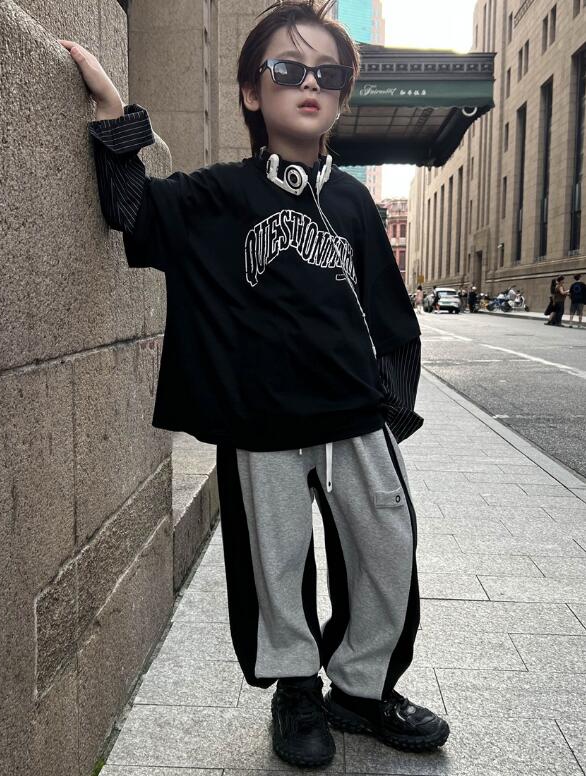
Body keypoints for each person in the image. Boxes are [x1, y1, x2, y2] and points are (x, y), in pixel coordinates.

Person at [59, 1, 449, 767]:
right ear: (251, 90)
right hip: (262, 423)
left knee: (388, 548)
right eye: (288, 68)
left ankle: (362, 690)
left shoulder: (354, 202)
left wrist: (391, 410)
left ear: (341, 97)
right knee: (276, 565)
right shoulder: (221, 195)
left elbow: (391, 316)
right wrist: (113, 113)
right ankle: (296, 689)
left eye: (327, 75)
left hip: (356, 417)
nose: (310, 84)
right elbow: (135, 211)